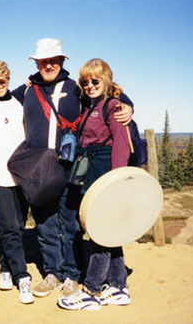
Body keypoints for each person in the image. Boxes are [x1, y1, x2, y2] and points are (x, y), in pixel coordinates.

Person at [12, 38, 134, 299]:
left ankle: (71, 274)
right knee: (44, 223)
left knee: (70, 223)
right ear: (37, 63)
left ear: (61, 61)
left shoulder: (76, 86)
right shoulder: (26, 90)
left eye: (53, 60)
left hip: (70, 167)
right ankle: (52, 273)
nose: (48, 65)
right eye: (43, 61)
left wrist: (128, 105)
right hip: (38, 169)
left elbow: (105, 93)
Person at [58, 59, 132, 310]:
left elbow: (121, 144)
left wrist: (118, 180)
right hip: (92, 169)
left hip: (104, 170)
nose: (89, 85)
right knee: (108, 226)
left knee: (100, 228)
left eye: (95, 81)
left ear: (107, 81)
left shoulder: (112, 107)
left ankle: (91, 289)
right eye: (85, 82)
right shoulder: (92, 106)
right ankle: (118, 285)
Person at [0, 59, 33, 304]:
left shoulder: (19, 102)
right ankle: (22, 277)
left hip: (21, 176)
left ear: (8, 79)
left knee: (18, 226)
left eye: (1, 81)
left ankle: (4, 267)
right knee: (9, 227)